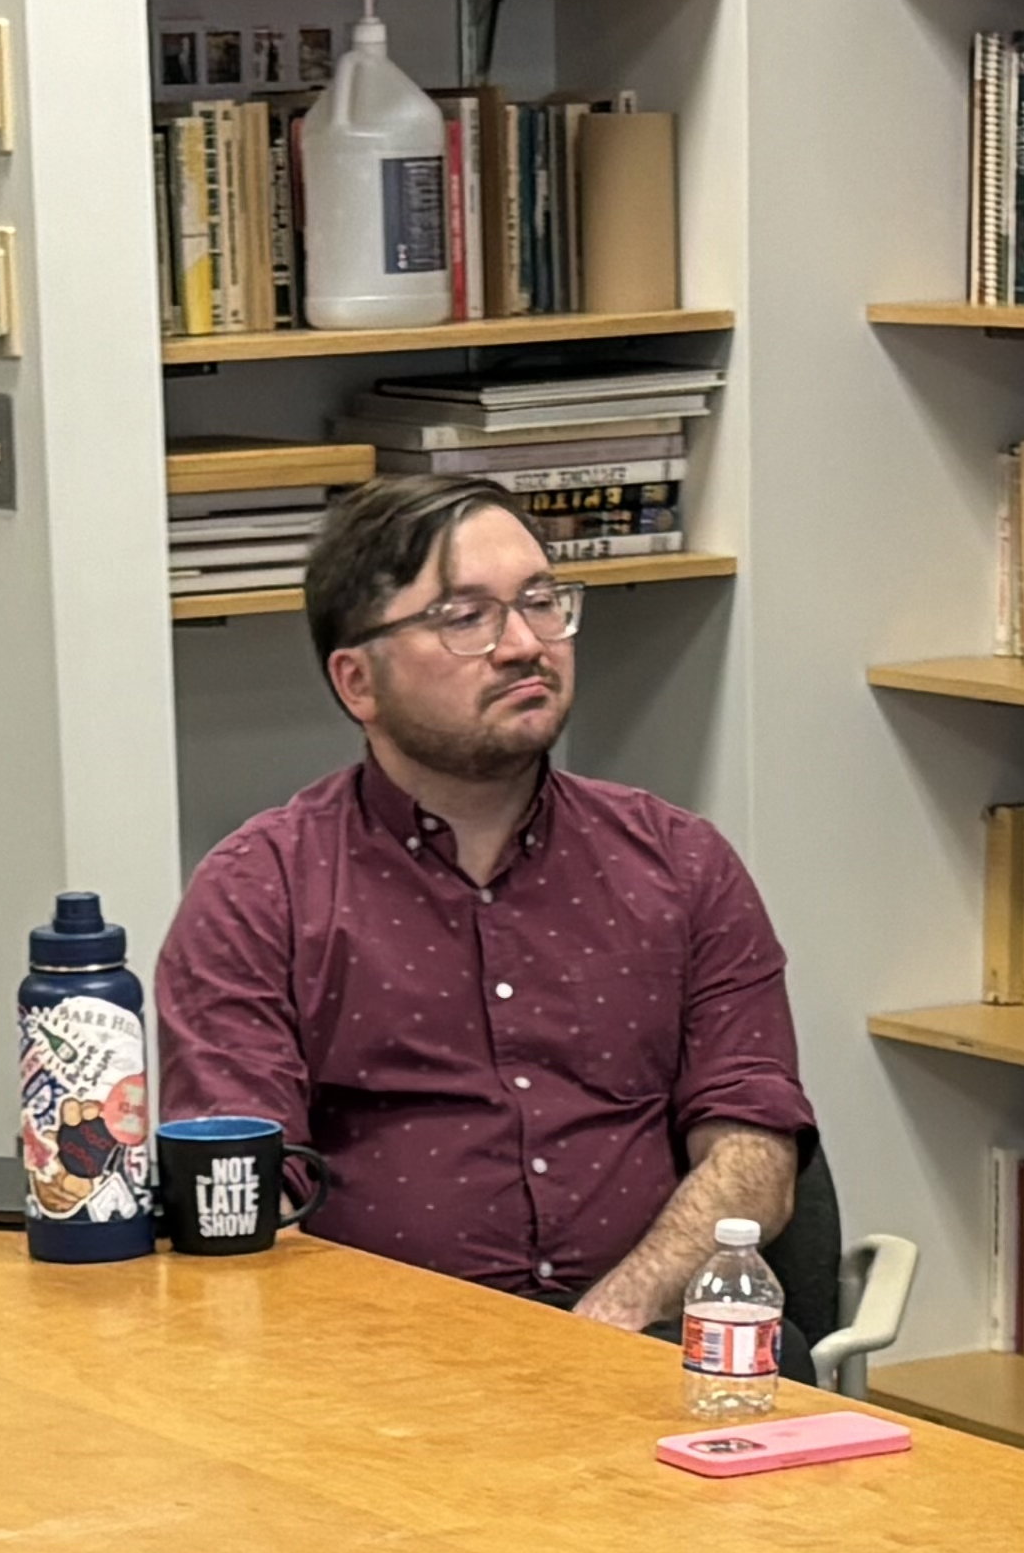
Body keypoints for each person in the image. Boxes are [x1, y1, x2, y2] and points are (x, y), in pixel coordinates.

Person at [152, 475, 811, 1333]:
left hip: (648, 1352)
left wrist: (607, 1324)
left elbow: (756, 1151)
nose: (524, 644)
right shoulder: (260, 892)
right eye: (466, 617)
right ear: (358, 683)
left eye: (540, 602)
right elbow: (240, 1202)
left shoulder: (681, 863)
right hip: (379, 1383)